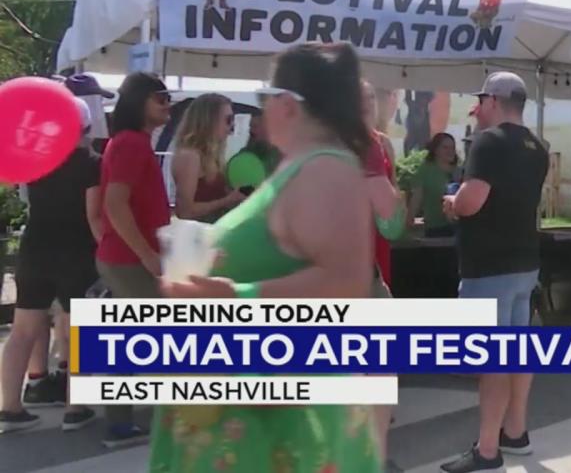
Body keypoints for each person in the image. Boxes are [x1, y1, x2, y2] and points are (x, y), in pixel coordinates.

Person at [151, 42, 380, 471]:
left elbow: (346, 283)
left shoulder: (325, 167)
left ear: (289, 105)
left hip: (280, 427)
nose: (261, 112)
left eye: (266, 99)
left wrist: (237, 298)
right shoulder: (301, 166)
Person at [440, 72, 549, 473]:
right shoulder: (537, 147)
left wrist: (452, 201)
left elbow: (472, 203)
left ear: (494, 100)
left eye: (480, 98)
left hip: (489, 266)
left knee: (492, 361)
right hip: (525, 261)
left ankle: (487, 451)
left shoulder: (488, 142)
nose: (476, 106)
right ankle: (515, 432)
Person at [0, 98, 101, 434]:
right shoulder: (91, 163)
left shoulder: (37, 158)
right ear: (87, 128)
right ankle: (75, 408)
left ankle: (10, 407)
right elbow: (94, 214)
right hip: (75, 251)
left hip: (35, 248)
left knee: (23, 330)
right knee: (76, 331)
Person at [96, 71, 173, 448]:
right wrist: (146, 255)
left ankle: (121, 423)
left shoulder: (132, 142)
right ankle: (168, 421)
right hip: (130, 260)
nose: (167, 104)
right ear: (140, 101)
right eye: (160, 98)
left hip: (125, 256)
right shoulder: (131, 144)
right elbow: (113, 203)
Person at [170, 93, 244, 223]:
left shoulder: (210, 155)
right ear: (209, 120)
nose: (231, 127)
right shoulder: (190, 156)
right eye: (228, 120)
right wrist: (225, 201)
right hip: (197, 235)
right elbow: (185, 211)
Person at [361, 79, 405, 296]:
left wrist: (398, 205)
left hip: (381, 227)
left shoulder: (384, 143)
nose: (367, 103)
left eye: (371, 97)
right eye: (360, 98)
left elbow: (394, 186)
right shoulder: (342, 141)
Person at [409, 132, 460, 238]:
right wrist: (408, 222)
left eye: (452, 148)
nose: (450, 151)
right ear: (435, 150)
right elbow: (416, 199)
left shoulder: (459, 170)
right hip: (436, 229)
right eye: (445, 147)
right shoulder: (425, 170)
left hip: (460, 228)